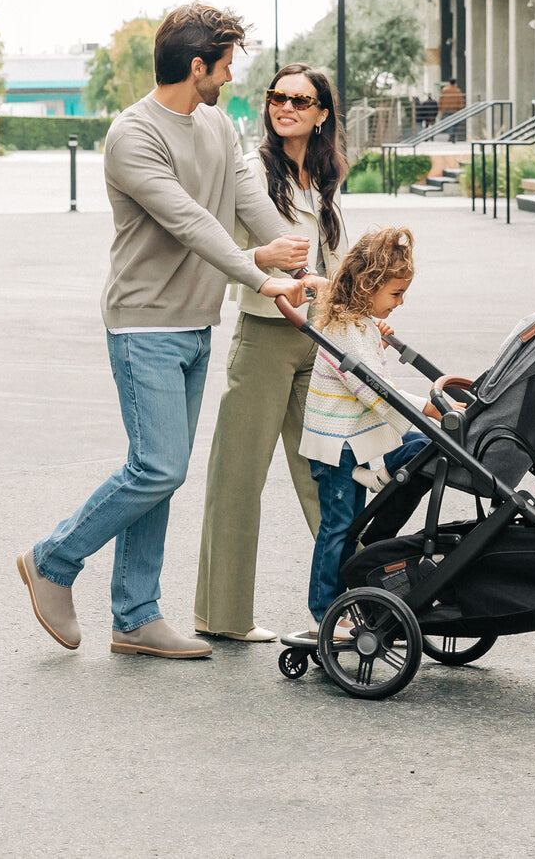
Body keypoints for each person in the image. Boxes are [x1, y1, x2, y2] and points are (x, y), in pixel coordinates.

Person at [17, 3, 311, 661]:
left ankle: (136, 615)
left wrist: (300, 263)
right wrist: (260, 279)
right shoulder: (133, 135)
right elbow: (191, 222)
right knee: (158, 465)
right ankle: (52, 560)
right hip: (143, 323)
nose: (233, 75)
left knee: (159, 471)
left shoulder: (214, 126)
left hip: (194, 323)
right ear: (197, 65)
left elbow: (247, 203)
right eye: (227, 62)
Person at [194, 62, 347, 643]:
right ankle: (222, 615)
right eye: (277, 97)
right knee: (238, 476)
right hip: (263, 335)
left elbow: (334, 256)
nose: (285, 107)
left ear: (322, 113)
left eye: (300, 101)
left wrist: (361, 311)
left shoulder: (327, 174)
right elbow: (236, 241)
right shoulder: (253, 169)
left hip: (319, 339)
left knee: (327, 476)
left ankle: (350, 604)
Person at [292, 226, 434, 638]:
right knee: (339, 526)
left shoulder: (358, 324)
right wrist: (428, 408)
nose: (401, 302)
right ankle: (326, 611)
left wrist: (376, 329)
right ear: (369, 286)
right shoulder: (341, 333)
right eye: (395, 294)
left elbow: (369, 358)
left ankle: (382, 476)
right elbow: (374, 389)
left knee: (421, 449)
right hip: (339, 449)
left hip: (360, 438)